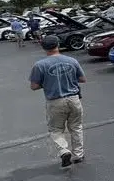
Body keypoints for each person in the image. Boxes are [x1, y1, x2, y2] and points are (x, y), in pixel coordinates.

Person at [29, 35, 86, 168]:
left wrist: (48, 83)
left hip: (55, 101)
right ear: (58, 45)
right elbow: (82, 79)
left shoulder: (40, 65)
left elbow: (34, 86)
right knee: (76, 127)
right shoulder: (72, 60)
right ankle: (78, 155)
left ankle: (64, 151)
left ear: (43, 48)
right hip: (74, 98)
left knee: (55, 129)